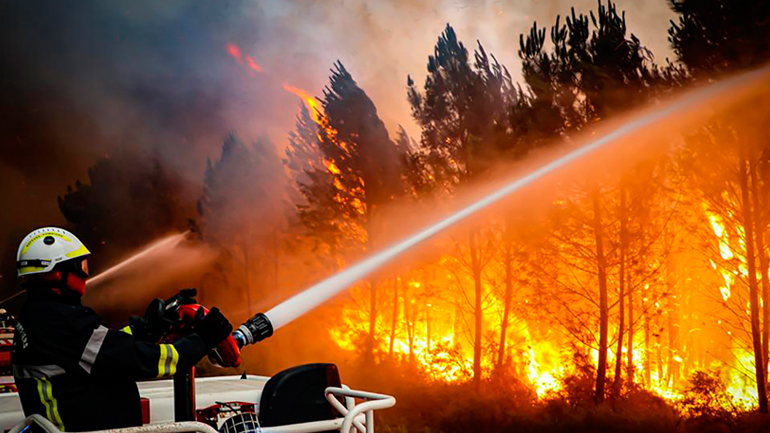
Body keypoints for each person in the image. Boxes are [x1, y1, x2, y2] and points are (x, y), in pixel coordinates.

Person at [11, 227, 233, 431]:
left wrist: (144, 330)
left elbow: (103, 350)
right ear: (56, 274)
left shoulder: (39, 316)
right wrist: (202, 339)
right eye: (80, 266)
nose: (85, 274)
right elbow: (142, 361)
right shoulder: (63, 322)